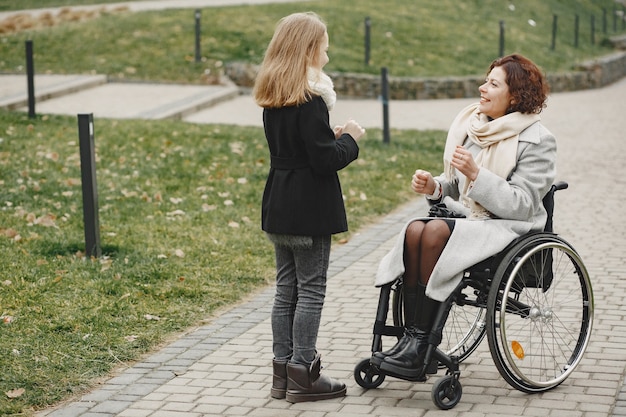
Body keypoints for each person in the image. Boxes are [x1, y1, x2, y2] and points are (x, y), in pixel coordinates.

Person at [373, 54, 556, 380]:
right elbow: (459, 187)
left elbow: (523, 204)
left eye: (492, 84)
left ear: (514, 96)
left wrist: (477, 175)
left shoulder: (538, 140)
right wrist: (435, 187)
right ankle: (411, 340)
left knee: (433, 233)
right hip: (476, 220)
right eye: (486, 80)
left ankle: (421, 345)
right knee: (415, 229)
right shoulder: (479, 127)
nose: (482, 88)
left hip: (509, 227)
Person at [253, 12, 366, 402]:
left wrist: (327, 138)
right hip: (309, 207)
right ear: (308, 49)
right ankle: (305, 373)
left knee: (286, 290)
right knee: (312, 290)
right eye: (324, 48)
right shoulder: (311, 99)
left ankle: (282, 374)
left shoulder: (274, 97)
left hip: (279, 202)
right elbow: (323, 161)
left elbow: (301, 148)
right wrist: (350, 139)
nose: (328, 57)